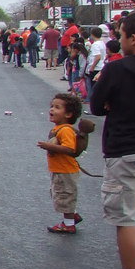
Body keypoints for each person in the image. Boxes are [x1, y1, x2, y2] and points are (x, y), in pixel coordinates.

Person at [86, 12, 135, 269]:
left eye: (121, 35)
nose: (118, 40)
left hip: (127, 150)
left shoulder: (117, 69)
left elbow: (96, 105)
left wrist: (111, 102)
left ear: (133, 39)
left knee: (128, 220)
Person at [37, 93, 84, 233]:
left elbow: (69, 149)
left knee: (64, 196)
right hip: (60, 169)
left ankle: (69, 224)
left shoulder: (65, 130)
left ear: (69, 114)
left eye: (57, 107)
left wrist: (49, 146)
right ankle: (72, 215)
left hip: (65, 171)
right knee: (60, 194)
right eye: (52, 106)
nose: (52, 109)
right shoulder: (58, 128)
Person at [85, 26, 107, 101]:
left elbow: (98, 57)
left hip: (96, 68)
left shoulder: (95, 45)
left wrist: (92, 67)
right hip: (101, 66)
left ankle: (93, 103)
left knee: (92, 87)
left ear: (92, 34)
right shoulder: (102, 43)